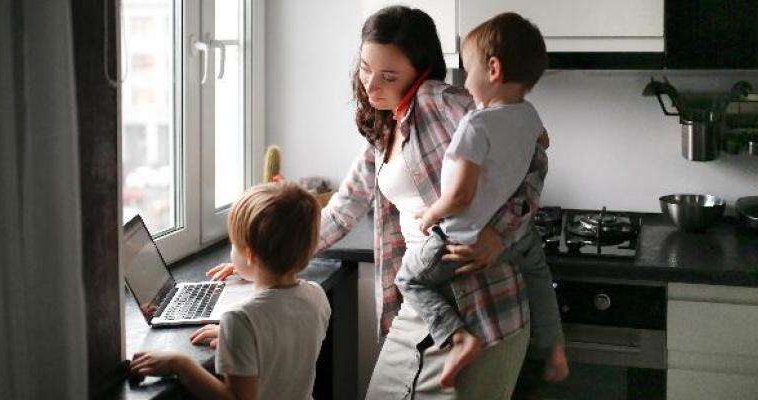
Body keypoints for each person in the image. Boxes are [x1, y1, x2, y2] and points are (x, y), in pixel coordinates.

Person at [210, 6, 567, 398]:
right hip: (419, 304)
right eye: (365, 68)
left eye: (389, 75)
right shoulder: (385, 130)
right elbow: (344, 209)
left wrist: (499, 236)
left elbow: (533, 154)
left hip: (483, 308)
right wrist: (260, 256)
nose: (370, 84)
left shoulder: (442, 101)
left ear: (421, 72)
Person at [393, 11, 567, 388]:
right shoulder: (530, 114)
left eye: (468, 69)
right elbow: (542, 146)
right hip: (513, 237)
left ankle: (458, 338)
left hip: (460, 237)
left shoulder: (474, 123)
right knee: (539, 274)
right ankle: (555, 347)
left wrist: (431, 215)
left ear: (492, 69)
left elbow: (459, 196)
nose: (464, 81)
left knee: (410, 278)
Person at [130, 182, 331, 400]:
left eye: (233, 243)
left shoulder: (240, 320)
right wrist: (236, 341)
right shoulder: (317, 296)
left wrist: (180, 363)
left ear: (251, 255)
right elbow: (281, 340)